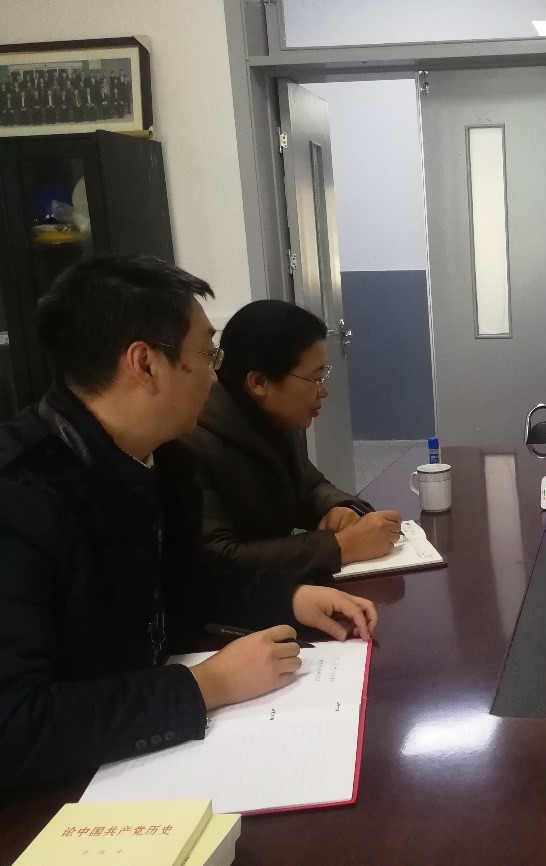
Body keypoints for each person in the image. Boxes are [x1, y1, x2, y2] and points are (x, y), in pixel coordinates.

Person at [0, 255, 378, 789]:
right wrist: (204, 687)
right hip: (57, 798)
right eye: (207, 353)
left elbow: (187, 581)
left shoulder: (160, 456)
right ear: (146, 364)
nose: (215, 373)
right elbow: (16, 725)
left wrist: (290, 597)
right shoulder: (19, 497)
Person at [181, 300, 401, 572]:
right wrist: (341, 547)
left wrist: (339, 508)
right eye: (314, 378)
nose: (323, 391)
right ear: (259, 383)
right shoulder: (191, 444)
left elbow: (309, 486)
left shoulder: (278, 419)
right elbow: (219, 560)